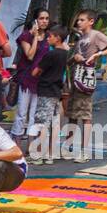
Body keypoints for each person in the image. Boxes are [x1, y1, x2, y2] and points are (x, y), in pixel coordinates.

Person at [65, 8, 107, 162]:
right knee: (73, 114)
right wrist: (74, 58)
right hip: (75, 76)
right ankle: (68, 146)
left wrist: (97, 54)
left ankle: (84, 150)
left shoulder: (96, 35)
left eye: (82, 20)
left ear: (91, 21)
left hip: (86, 77)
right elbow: (70, 60)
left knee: (85, 115)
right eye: (78, 20)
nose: (78, 22)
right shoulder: (80, 37)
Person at [28, 24, 70, 165]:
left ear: (57, 38)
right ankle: (50, 154)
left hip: (46, 91)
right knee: (54, 124)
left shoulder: (50, 54)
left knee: (42, 124)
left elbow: (35, 72)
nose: (48, 38)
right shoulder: (65, 54)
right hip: (56, 92)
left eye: (50, 36)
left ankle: (39, 154)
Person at [10, 8, 50, 148]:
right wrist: (35, 37)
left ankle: (31, 147)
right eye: (41, 18)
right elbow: (30, 55)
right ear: (35, 20)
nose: (44, 21)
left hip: (40, 80)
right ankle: (17, 145)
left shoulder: (49, 37)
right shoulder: (26, 36)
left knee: (34, 115)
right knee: (22, 113)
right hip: (26, 79)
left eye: (46, 18)